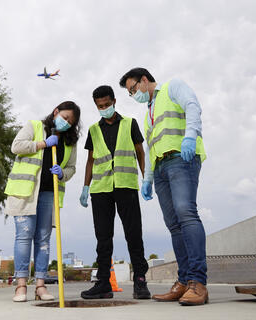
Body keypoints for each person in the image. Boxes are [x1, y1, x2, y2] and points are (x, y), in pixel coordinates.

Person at [119, 68, 208, 306]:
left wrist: (190, 135)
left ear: (145, 80)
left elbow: (192, 106)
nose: (133, 94)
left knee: (186, 214)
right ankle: (184, 281)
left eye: (133, 89)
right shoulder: (149, 112)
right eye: (130, 93)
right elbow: (149, 147)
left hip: (182, 158)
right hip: (161, 169)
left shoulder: (172, 86)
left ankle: (198, 283)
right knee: (174, 225)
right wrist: (147, 178)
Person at [4, 101, 81, 302]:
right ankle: (20, 286)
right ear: (56, 112)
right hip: (25, 192)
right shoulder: (34, 126)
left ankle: (40, 285)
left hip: (49, 193)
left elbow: (72, 168)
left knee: (43, 240)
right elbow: (16, 146)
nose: (66, 123)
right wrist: (43, 144)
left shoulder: (70, 142)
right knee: (24, 236)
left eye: (70, 122)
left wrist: (62, 173)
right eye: (64, 117)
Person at [79, 85, 151, 300]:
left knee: (133, 234)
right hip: (100, 189)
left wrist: (147, 177)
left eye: (107, 105)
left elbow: (139, 152)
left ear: (114, 102)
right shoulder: (93, 130)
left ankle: (140, 280)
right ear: (96, 106)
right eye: (100, 106)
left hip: (126, 185)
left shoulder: (130, 123)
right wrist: (85, 186)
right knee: (102, 237)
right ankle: (103, 283)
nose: (104, 109)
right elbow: (91, 160)